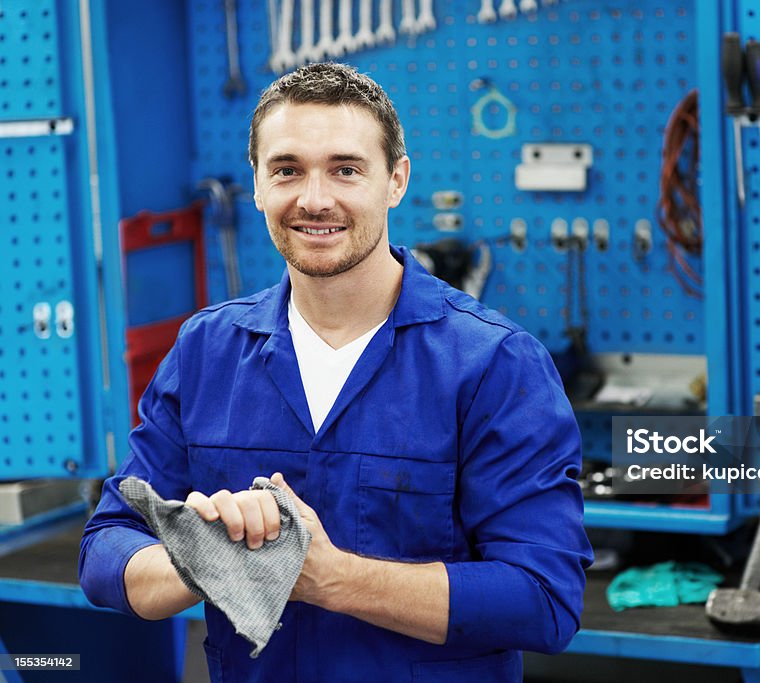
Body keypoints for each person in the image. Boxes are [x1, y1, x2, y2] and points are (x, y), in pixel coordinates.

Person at [79, 62, 592, 682]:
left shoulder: (494, 364)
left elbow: (544, 600)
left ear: (395, 181)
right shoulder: (207, 352)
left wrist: (332, 579)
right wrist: (198, 560)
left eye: (345, 170)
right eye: (287, 169)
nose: (314, 199)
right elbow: (105, 553)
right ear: (259, 186)